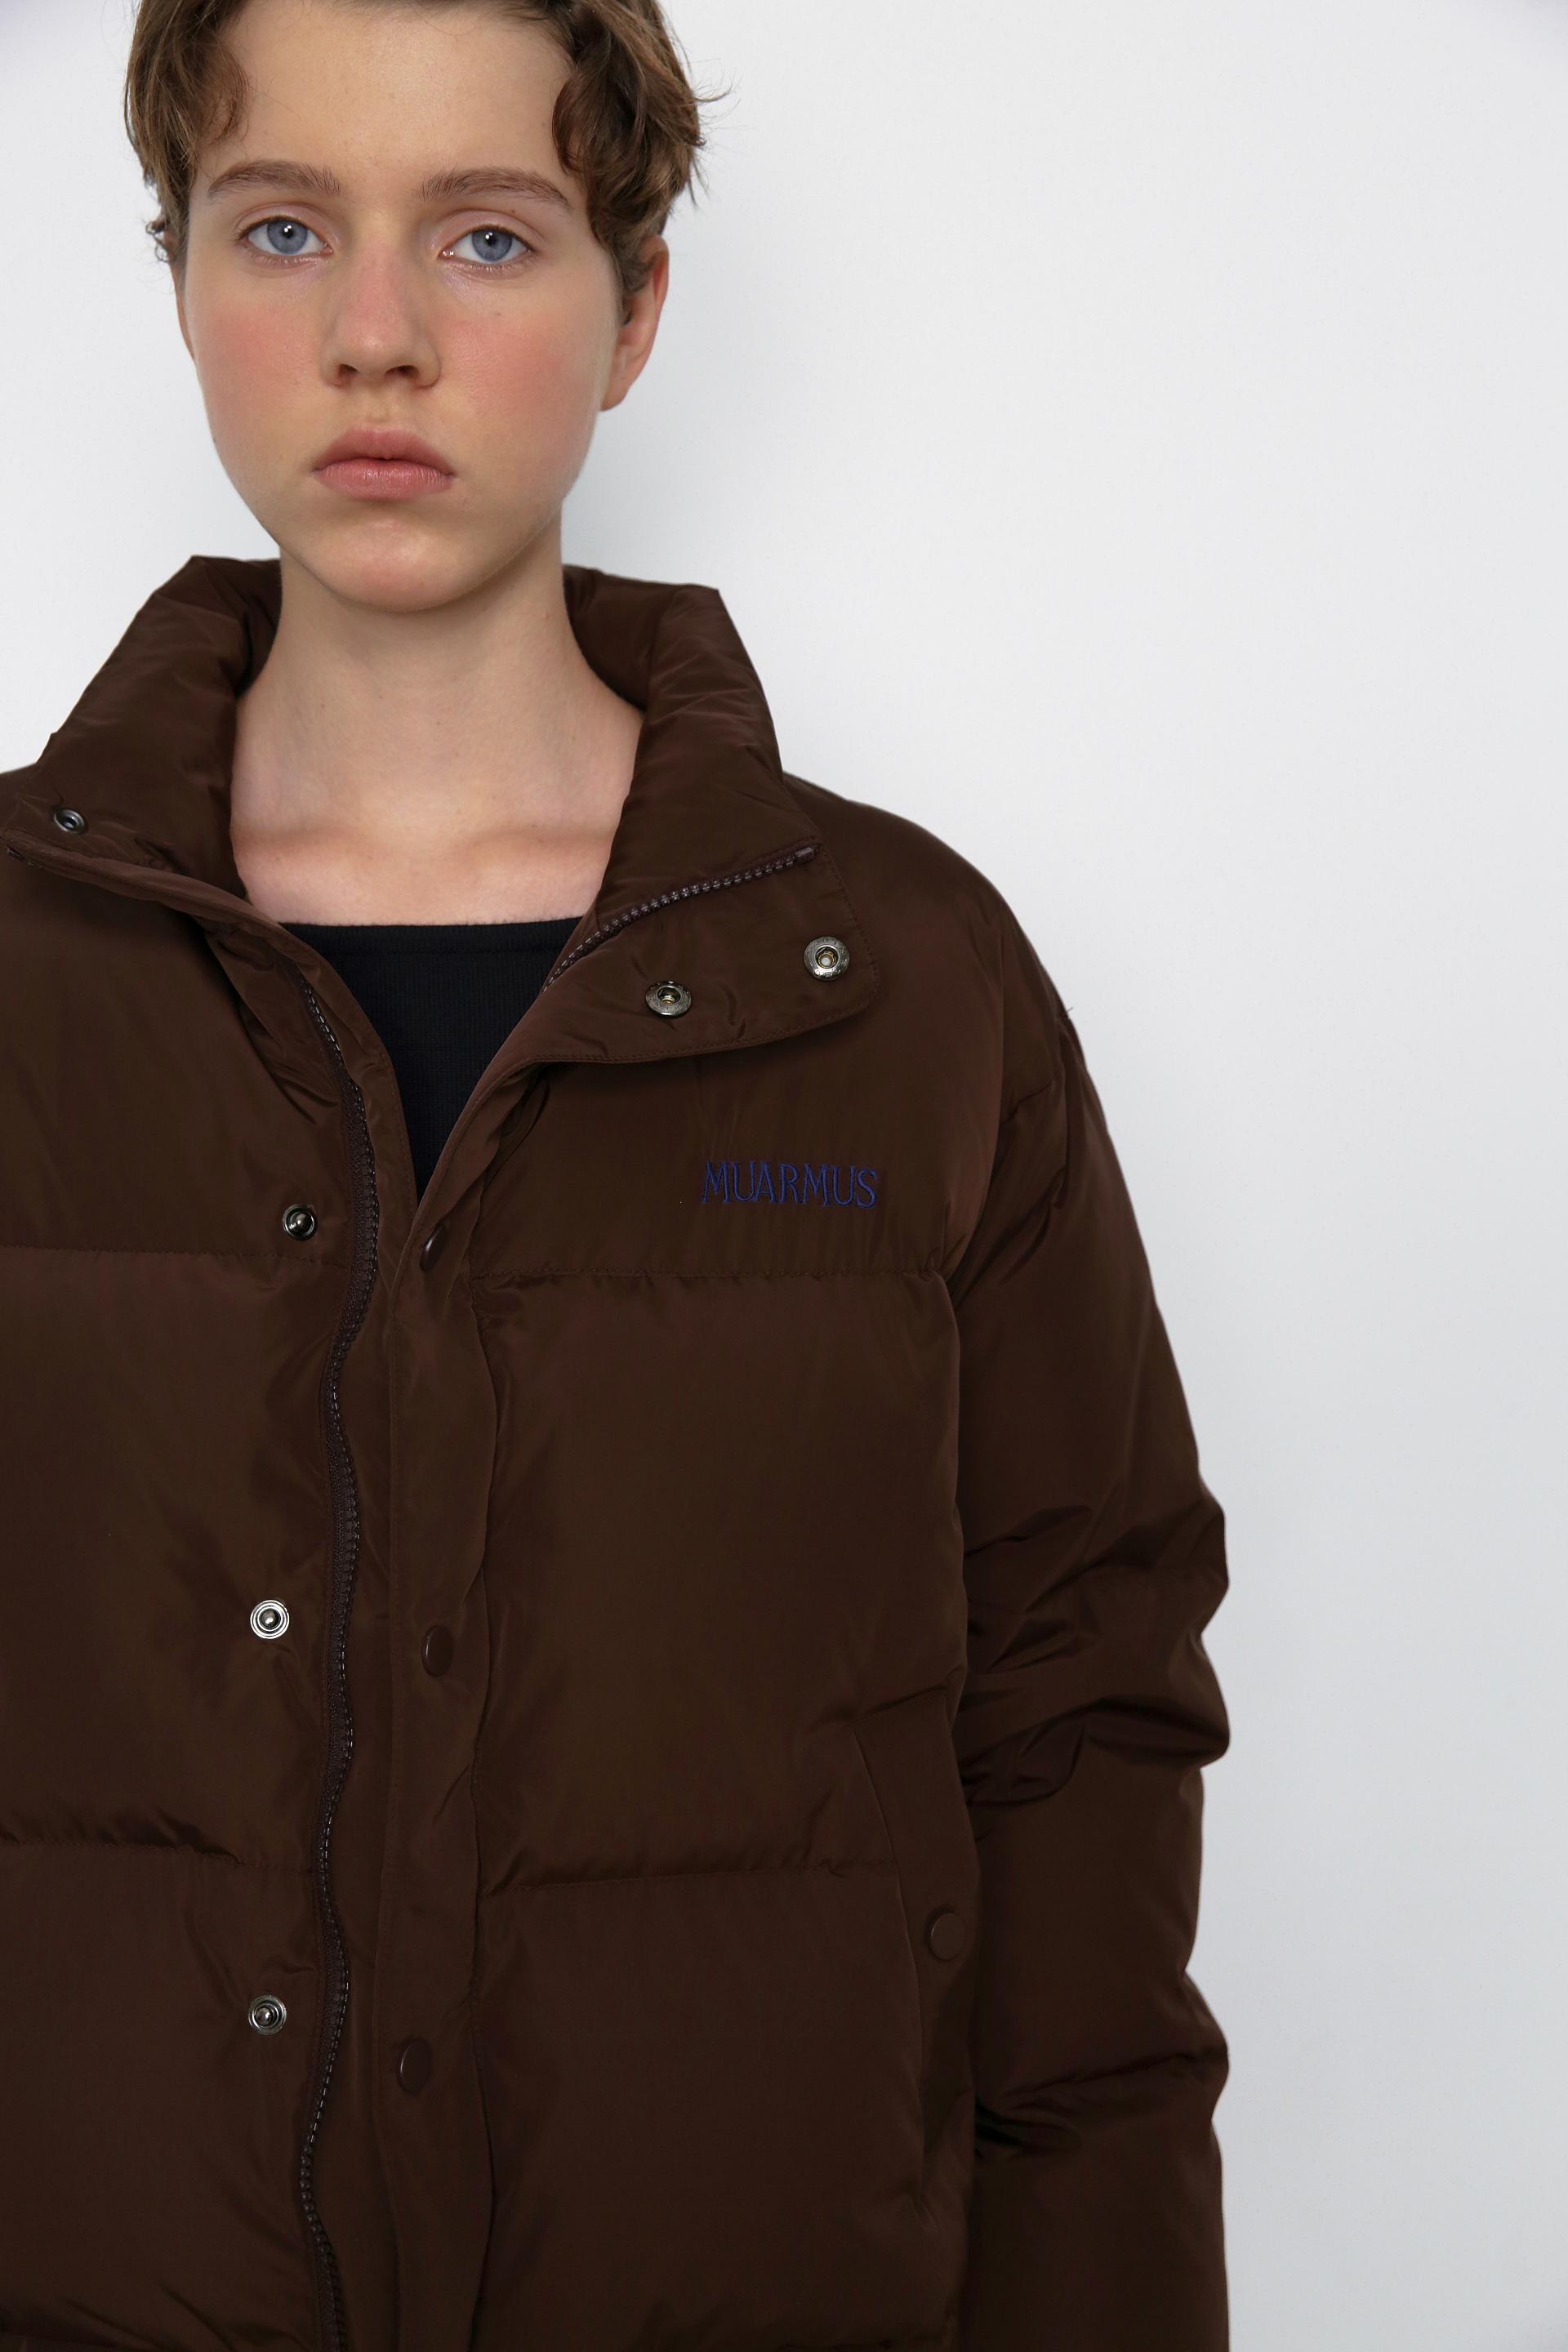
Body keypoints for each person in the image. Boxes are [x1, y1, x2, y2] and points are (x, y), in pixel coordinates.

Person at [0, 2, 1232, 2347]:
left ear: (636, 304)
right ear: (178, 279)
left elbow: (1076, 1734)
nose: (375, 334)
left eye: (486, 235)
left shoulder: (902, 987)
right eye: (284, 229)